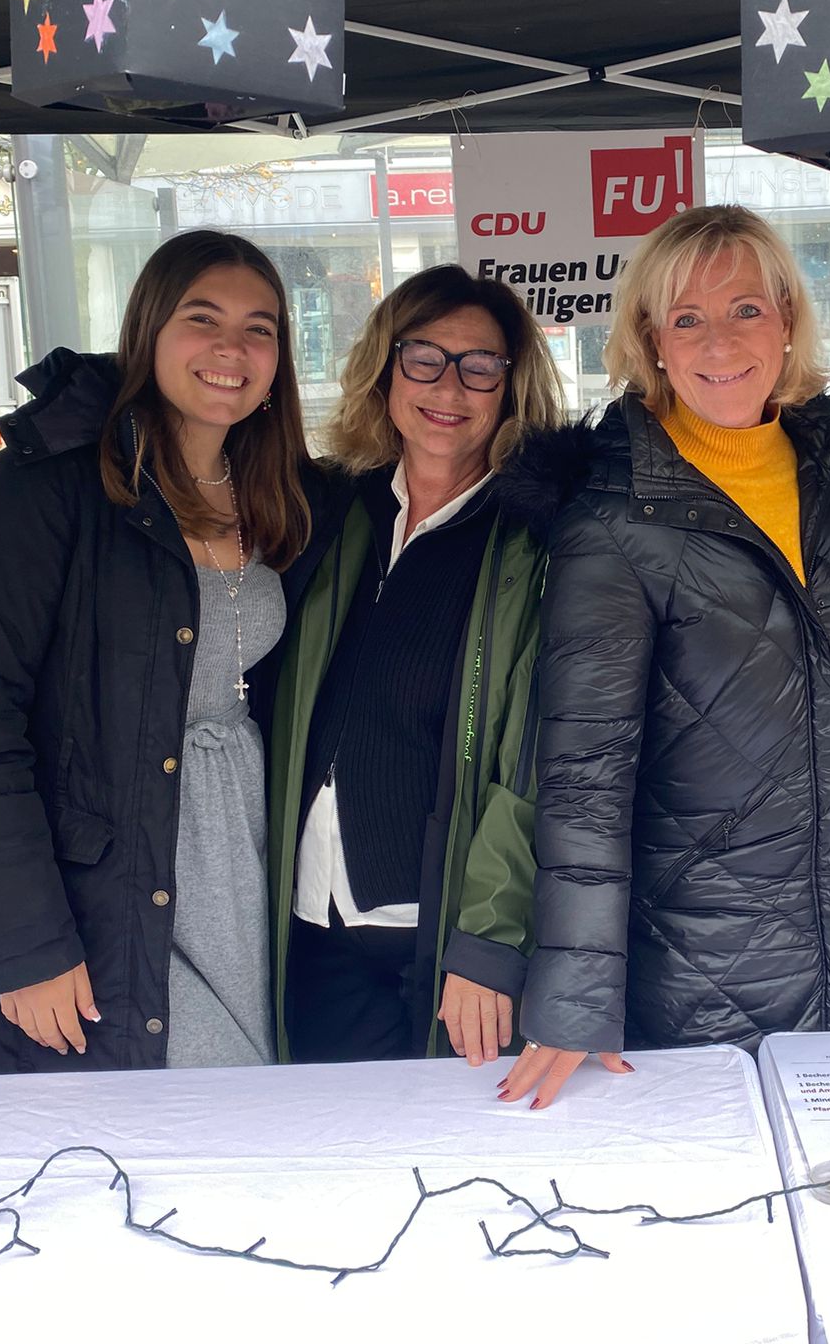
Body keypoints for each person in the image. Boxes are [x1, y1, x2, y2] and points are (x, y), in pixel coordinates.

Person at [501, 205, 830, 1110]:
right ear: (652, 341)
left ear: (787, 321)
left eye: (745, 310)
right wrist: (574, 998)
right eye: (686, 318)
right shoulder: (614, 514)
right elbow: (584, 773)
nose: (719, 342)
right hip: (704, 961)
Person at [0, 230, 311, 1073]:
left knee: (249, 1102)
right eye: (203, 318)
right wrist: (27, 942)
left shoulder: (279, 490)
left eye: (259, 329)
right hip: (101, 878)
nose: (232, 349)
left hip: (236, 860)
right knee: (190, 1096)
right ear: (149, 330)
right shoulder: (44, 486)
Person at [267, 265, 566, 1065]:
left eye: (480, 365)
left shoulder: (535, 542)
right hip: (313, 915)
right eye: (424, 357)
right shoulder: (333, 512)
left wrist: (488, 940)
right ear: (386, 368)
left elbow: (538, 764)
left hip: (438, 942)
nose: (449, 387)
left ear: (511, 385)